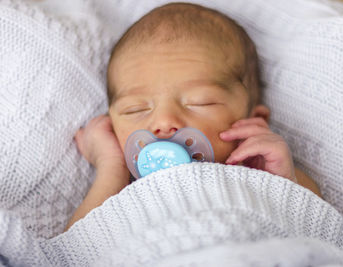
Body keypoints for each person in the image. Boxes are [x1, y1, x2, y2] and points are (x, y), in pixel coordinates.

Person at [65, 2, 321, 231]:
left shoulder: (258, 172)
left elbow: (321, 229)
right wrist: (111, 166)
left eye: (200, 102)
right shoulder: (120, 192)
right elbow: (74, 251)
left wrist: (286, 181)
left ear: (253, 121)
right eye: (136, 109)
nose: (164, 122)